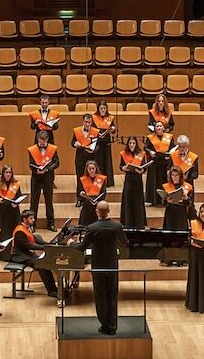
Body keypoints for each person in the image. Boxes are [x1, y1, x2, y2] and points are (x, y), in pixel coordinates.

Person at [72, 201, 128, 335]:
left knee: (101, 295)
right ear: (109, 211)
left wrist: (71, 243)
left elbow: (81, 247)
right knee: (112, 295)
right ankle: (113, 326)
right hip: (112, 266)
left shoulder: (92, 228)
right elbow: (124, 243)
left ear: (96, 211)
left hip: (98, 266)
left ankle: (104, 325)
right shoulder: (117, 226)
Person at [10, 210, 58, 297]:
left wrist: (48, 244)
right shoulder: (20, 231)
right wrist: (45, 248)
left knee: (45, 264)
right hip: (20, 256)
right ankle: (51, 291)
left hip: (27, 253)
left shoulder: (27, 228)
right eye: (31, 218)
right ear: (25, 219)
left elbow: (35, 239)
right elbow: (28, 245)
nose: (34, 220)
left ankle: (54, 289)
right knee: (42, 266)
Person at [26, 130, 59, 230]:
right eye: (40, 141)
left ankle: (51, 223)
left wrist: (48, 169)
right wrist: (36, 170)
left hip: (48, 178)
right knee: (34, 202)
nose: (42, 143)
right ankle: (32, 225)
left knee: (49, 201)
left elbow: (56, 163)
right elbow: (30, 163)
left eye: (44, 142)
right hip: (36, 177)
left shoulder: (52, 149)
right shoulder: (33, 149)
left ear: (48, 140)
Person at [120, 136, 149, 227]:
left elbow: (144, 166)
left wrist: (142, 170)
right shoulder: (124, 154)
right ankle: (128, 221)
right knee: (128, 199)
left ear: (136, 144)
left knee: (138, 200)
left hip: (137, 180)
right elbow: (121, 166)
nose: (132, 145)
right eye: (130, 143)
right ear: (128, 144)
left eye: (133, 143)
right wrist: (123, 168)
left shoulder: (141, 154)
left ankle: (139, 221)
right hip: (129, 179)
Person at [144, 122, 174, 206]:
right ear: (155, 128)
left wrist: (170, 154)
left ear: (163, 128)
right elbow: (145, 147)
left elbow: (173, 148)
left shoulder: (169, 137)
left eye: (160, 126)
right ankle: (154, 200)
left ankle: (165, 200)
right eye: (157, 126)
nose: (159, 127)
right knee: (154, 181)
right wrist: (150, 151)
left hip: (165, 163)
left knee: (164, 182)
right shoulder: (150, 138)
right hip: (154, 163)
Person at [71, 113, 101, 188]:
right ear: (83, 121)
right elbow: (72, 142)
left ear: (91, 122)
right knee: (80, 178)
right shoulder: (77, 130)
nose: (87, 124)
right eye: (85, 122)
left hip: (91, 157)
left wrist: (93, 150)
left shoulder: (96, 131)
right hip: (80, 157)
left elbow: (98, 146)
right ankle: (79, 198)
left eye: (89, 122)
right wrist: (75, 143)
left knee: (90, 178)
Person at [162, 165, 195, 233]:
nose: (174, 177)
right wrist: (167, 201)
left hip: (181, 214)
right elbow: (163, 202)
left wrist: (186, 199)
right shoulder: (167, 186)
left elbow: (190, 203)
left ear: (180, 176)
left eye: (176, 175)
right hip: (170, 213)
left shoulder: (187, 186)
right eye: (173, 175)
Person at [0, 165, 23, 233]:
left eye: (10, 172)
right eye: (6, 172)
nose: (8, 174)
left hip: (13, 210)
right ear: (3, 173)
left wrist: (16, 203)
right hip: (2, 210)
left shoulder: (16, 184)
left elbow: (19, 196)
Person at [93, 101, 116, 186]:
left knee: (107, 160)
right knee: (98, 160)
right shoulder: (94, 117)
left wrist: (113, 129)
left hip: (106, 141)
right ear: (98, 109)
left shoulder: (109, 117)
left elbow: (113, 130)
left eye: (104, 108)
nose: (103, 110)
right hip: (98, 141)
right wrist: (97, 134)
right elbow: (92, 129)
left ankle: (107, 182)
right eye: (101, 108)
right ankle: (98, 180)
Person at [78, 159, 107, 225]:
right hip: (87, 206)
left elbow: (103, 193)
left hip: (97, 206)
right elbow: (80, 192)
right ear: (87, 169)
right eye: (89, 169)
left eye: (93, 168)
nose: (91, 170)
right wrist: (82, 194)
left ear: (96, 168)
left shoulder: (101, 178)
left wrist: (98, 201)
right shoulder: (83, 179)